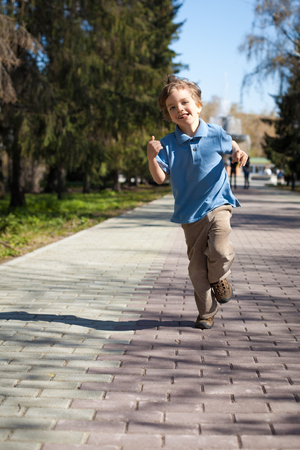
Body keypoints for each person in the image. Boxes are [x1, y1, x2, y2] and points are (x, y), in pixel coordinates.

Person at [147, 75, 248, 330]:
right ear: (169, 114)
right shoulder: (168, 144)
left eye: (184, 102)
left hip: (218, 205)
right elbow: (159, 178)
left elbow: (231, 143)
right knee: (197, 271)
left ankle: (221, 278)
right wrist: (151, 157)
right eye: (172, 107)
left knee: (220, 250)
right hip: (189, 215)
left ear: (198, 105)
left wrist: (237, 152)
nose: (179, 108)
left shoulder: (214, 132)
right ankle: (206, 312)